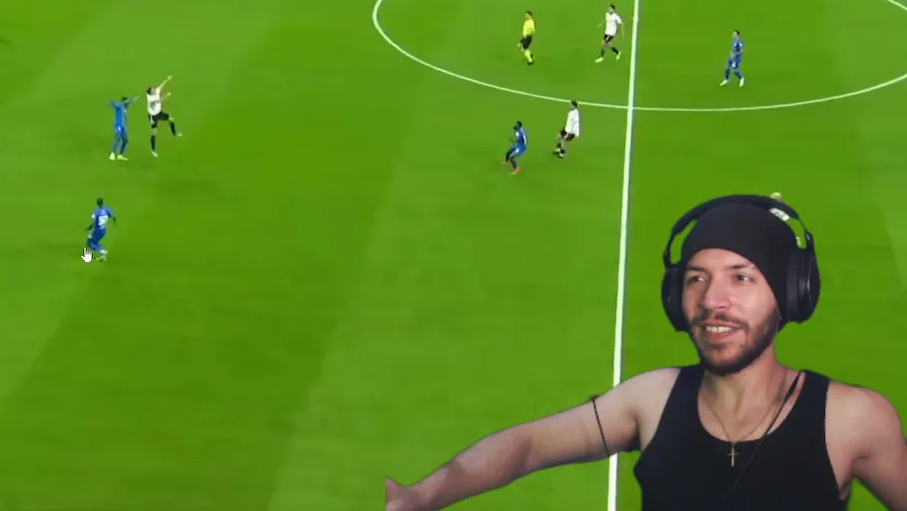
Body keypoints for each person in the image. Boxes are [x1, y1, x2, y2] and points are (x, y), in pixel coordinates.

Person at [386, 194, 907, 511]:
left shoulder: (851, 420)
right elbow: (528, 446)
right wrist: (422, 496)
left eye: (742, 278)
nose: (713, 301)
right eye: (696, 279)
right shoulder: (651, 402)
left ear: (790, 294)